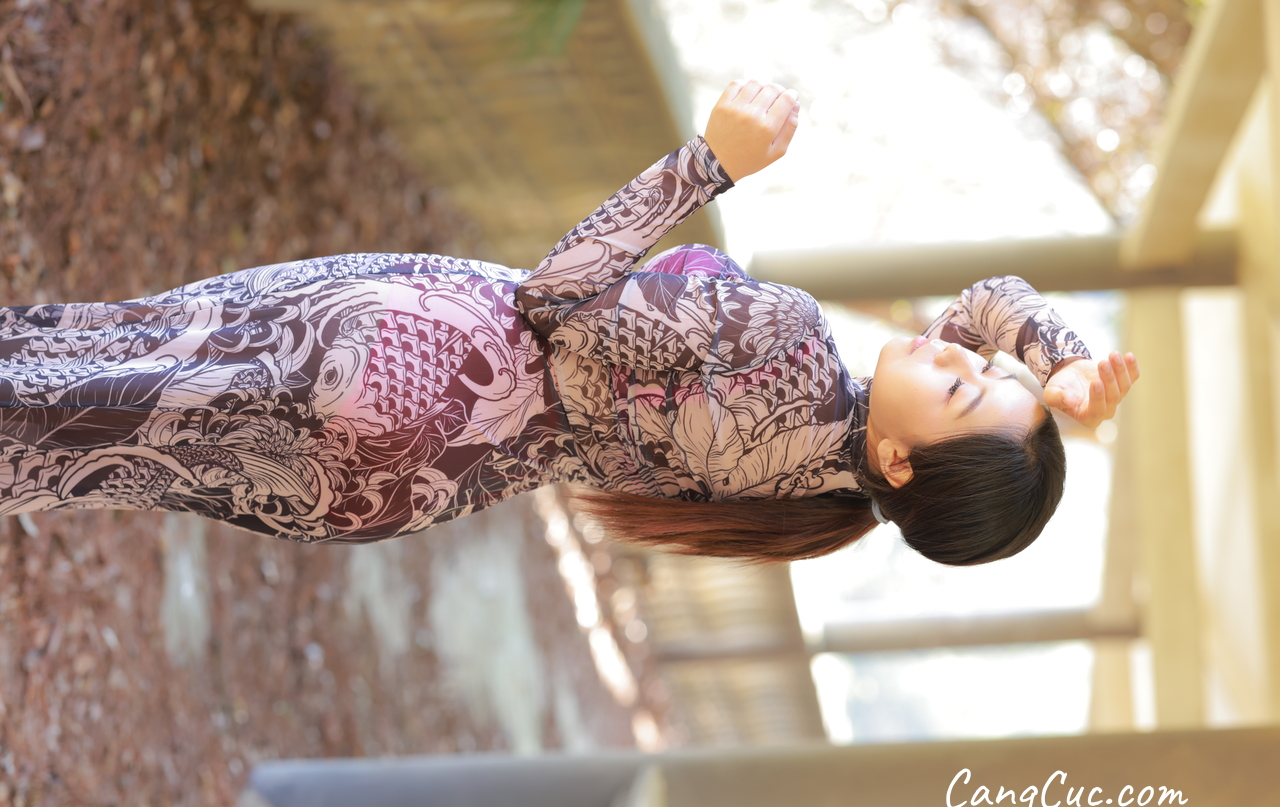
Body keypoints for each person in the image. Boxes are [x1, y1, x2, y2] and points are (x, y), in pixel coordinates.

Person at [0, 80, 1136, 565]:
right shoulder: (803, 503)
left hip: (417, 356)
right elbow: (985, 308)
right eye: (977, 364)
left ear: (899, 458)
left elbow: (557, 303)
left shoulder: (789, 338)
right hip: (398, 486)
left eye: (962, 382)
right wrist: (1058, 369)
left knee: (88, 365)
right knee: (79, 449)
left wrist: (707, 164)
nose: (951, 347)